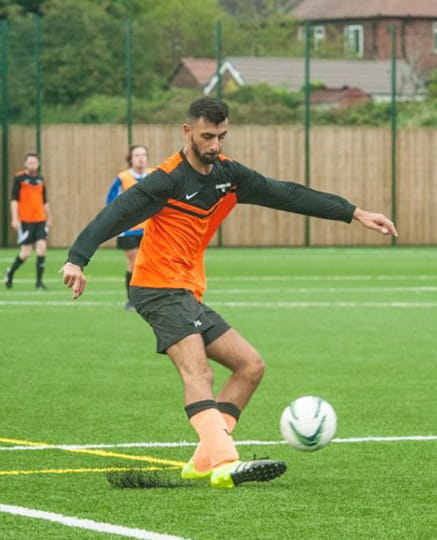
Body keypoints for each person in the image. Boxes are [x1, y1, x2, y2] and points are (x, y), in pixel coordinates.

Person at [61, 96, 397, 489]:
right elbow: (115, 214)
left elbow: (286, 193)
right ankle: (225, 462)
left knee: (250, 366)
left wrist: (353, 212)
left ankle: (203, 462)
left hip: (186, 290)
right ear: (188, 132)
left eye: (221, 136)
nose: (215, 145)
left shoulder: (228, 174)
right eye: (207, 136)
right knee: (198, 371)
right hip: (155, 287)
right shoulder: (165, 179)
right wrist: (76, 259)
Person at [106, 144, 154, 311]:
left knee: (150, 264)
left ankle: (149, 297)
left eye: (143, 155)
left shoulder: (155, 175)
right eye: (137, 155)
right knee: (134, 263)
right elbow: (111, 201)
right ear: (131, 159)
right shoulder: (123, 178)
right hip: (129, 229)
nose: (141, 158)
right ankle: (131, 300)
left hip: (151, 229)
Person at [5, 153, 51, 290]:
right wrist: (14, 218)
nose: (32, 165)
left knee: (42, 248)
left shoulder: (40, 179)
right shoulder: (19, 178)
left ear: (38, 164)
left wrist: (50, 217)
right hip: (26, 220)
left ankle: (39, 283)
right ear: (25, 164)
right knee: (25, 253)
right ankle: (10, 273)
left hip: (40, 219)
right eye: (30, 162)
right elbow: (14, 200)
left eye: (34, 162)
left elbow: (44, 201)